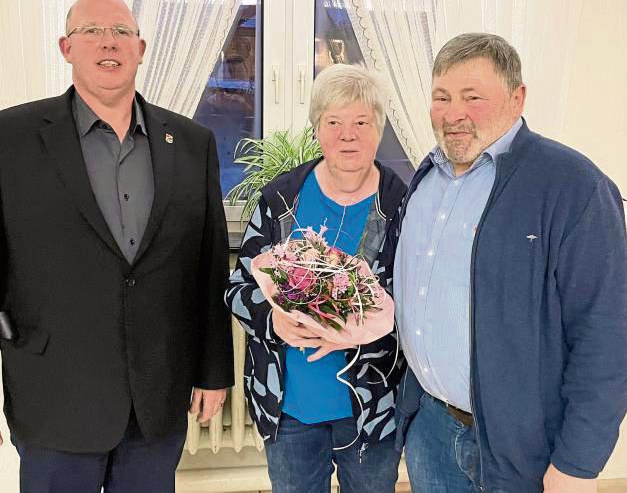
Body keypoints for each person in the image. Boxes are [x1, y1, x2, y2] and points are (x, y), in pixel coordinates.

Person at [0, 0, 233, 492]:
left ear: (142, 48)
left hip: (157, 395)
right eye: (92, 32)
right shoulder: (10, 136)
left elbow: (209, 265)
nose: (109, 42)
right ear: (66, 47)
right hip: (53, 391)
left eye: (121, 32)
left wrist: (214, 371)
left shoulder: (192, 143)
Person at [392, 32, 627, 492]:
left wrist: (578, 465)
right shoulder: (427, 177)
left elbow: (607, 334)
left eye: (472, 97)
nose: (452, 113)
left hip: (523, 449)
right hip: (432, 430)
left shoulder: (573, 186)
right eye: (441, 97)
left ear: (517, 98)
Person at [225, 64, 406, 493]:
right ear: (317, 129)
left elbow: (420, 304)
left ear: (378, 129)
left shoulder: (403, 204)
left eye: (362, 122)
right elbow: (238, 288)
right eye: (334, 122)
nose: (348, 134)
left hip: (371, 409)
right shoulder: (282, 198)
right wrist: (275, 322)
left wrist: (366, 332)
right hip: (290, 410)